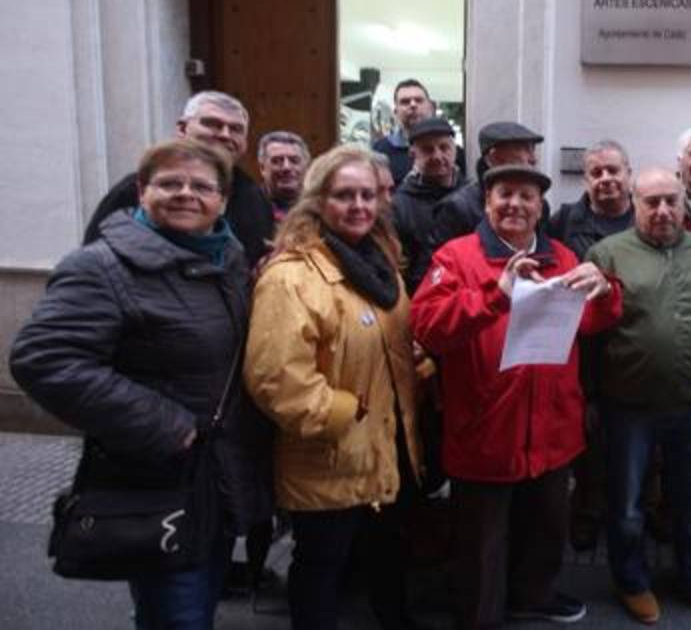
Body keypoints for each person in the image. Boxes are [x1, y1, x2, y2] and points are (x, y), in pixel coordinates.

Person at [9, 139, 270, 629]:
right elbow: (43, 359)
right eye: (169, 183)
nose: (186, 194)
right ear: (141, 192)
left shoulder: (229, 262)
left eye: (201, 186)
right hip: (157, 476)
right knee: (177, 614)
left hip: (217, 476)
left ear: (223, 199)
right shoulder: (101, 267)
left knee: (199, 602)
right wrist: (165, 425)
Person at [410, 163, 622, 629]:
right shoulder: (456, 257)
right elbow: (427, 326)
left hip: (551, 428)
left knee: (546, 528)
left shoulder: (563, 258)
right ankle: (479, 616)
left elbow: (593, 322)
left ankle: (533, 596)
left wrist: (606, 291)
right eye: (504, 194)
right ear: (486, 202)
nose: (515, 204)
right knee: (482, 541)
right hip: (485, 428)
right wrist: (495, 294)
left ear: (540, 207)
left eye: (527, 197)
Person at [243, 145, 422, 630]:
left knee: (386, 555)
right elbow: (275, 378)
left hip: (384, 445)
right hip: (329, 450)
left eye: (368, 195)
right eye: (344, 195)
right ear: (318, 201)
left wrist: (419, 368)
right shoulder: (292, 276)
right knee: (321, 567)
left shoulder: (383, 264)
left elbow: (389, 344)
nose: (359, 205)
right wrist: (342, 415)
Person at [586, 168, 691, 626]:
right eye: (651, 202)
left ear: (683, 203)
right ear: (634, 204)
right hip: (627, 405)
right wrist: (590, 397)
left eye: (670, 201)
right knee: (628, 505)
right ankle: (630, 581)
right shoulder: (606, 254)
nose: (662, 211)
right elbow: (588, 335)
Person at [547, 139, 635, 552]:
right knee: (586, 440)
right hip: (582, 351)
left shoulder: (648, 218)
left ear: (628, 175)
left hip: (633, 347)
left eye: (613, 171)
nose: (605, 180)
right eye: (596, 172)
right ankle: (586, 510)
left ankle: (628, 513)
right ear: (586, 178)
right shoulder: (564, 221)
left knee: (631, 442)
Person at [83, 91, 275, 269]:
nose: (225, 135)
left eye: (236, 129)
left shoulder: (254, 197)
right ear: (182, 129)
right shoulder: (133, 190)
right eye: (212, 124)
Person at [432, 121, 550, 246]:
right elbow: (443, 261)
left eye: (532, 149)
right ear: (494, 157)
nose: (533, 159)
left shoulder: (539, 206)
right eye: (525, 149)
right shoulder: (457, 208)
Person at [392, 117, 466, 292]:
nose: (438, 156)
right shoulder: (399, 205)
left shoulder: (472, 195)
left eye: (444, 147)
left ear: (455, 150)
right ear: (413, 154)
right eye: (427, 150)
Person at [372, 78, 466, 184]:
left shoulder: (453, 152)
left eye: (419, 100)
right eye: (405, 102)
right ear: (395, 112)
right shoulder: (380, 150)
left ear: (431, 108)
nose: (413, 105)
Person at [256, 130, 310, 221]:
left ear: (306, 166)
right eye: (277, 161)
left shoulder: (321, 209)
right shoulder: (246, 207)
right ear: (262, 168)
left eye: (294, 161)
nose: (286, 167)